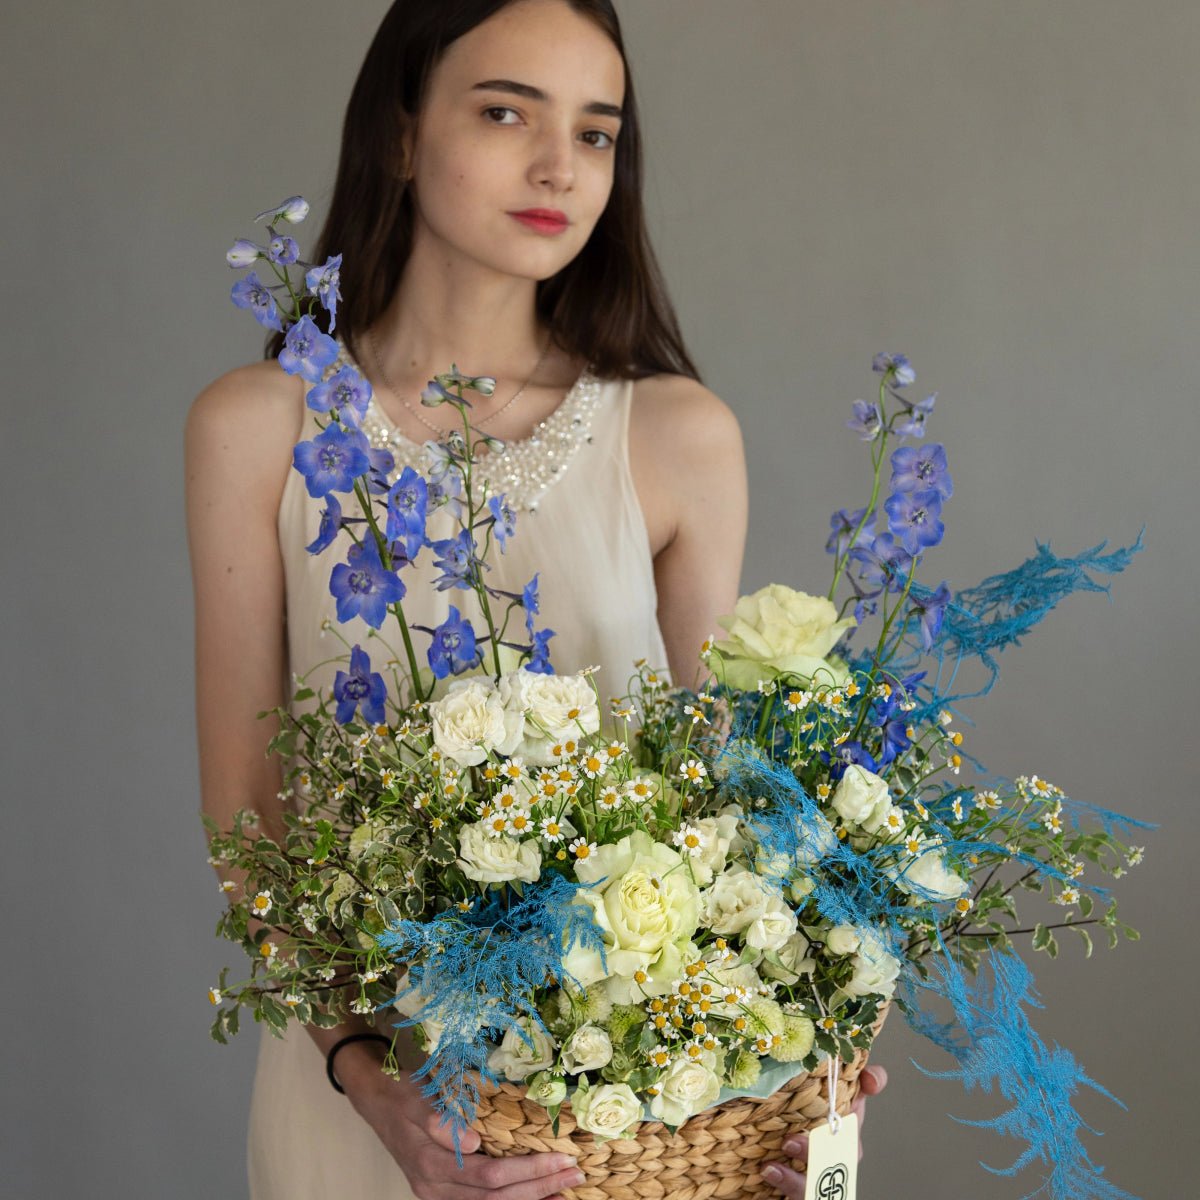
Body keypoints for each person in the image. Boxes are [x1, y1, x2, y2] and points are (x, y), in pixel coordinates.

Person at [185, 2, 886, 1197]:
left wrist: (800, 1051)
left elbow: (734, 812)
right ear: (402, 135)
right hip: (364, 1108)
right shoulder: (259, 428)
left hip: (620, 1122)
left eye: (598, 133)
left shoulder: (675, 436)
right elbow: (254, 822)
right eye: (507, 112)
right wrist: (372, 1084)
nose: (561, 166)